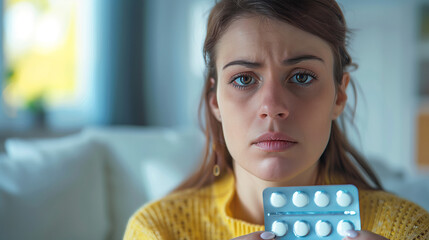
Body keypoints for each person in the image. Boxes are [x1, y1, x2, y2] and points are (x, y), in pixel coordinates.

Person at [124, 0, 429, 239]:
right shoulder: (156, 231)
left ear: (338, 96)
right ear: (215, 100)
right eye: (244, 79)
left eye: (301, 76)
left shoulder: (408, 229)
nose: (272, 107)